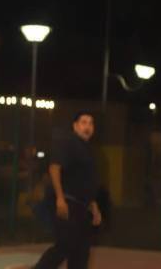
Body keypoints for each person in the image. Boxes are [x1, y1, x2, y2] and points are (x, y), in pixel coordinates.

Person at [33, 112, 102, 269]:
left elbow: (85, 180)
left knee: (81, 250)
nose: (88, 127)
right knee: (65, 245)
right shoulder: (68, 143)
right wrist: (60, 198)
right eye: (83, 122)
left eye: (91, 123)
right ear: (75, 126)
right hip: (68, 202)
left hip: (82, 206)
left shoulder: (88, 149)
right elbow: (54, 167)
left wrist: (93, 205)